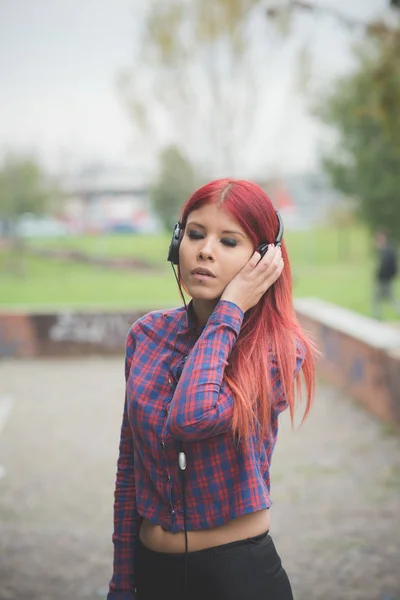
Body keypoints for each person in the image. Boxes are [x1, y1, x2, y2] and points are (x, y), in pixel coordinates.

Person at [107, 178, 317, 600]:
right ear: (176, 242)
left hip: (238, 576)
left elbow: (192, 415)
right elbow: (130, 468)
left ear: (265, 259)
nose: (205, 250)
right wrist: (121, 582)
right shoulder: (147, 335)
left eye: (229, 241)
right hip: (153, 574)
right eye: (195, 234)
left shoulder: (277, 350)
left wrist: (231, 308)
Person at [372, 228, 400, 320]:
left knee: (381, 299)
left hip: (384, 279)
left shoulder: (387, 251)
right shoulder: (388, 249)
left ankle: (377, 317)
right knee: (385, 299)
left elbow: (385, 267)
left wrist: (379, 276)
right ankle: (377, 316)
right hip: (386, 279)